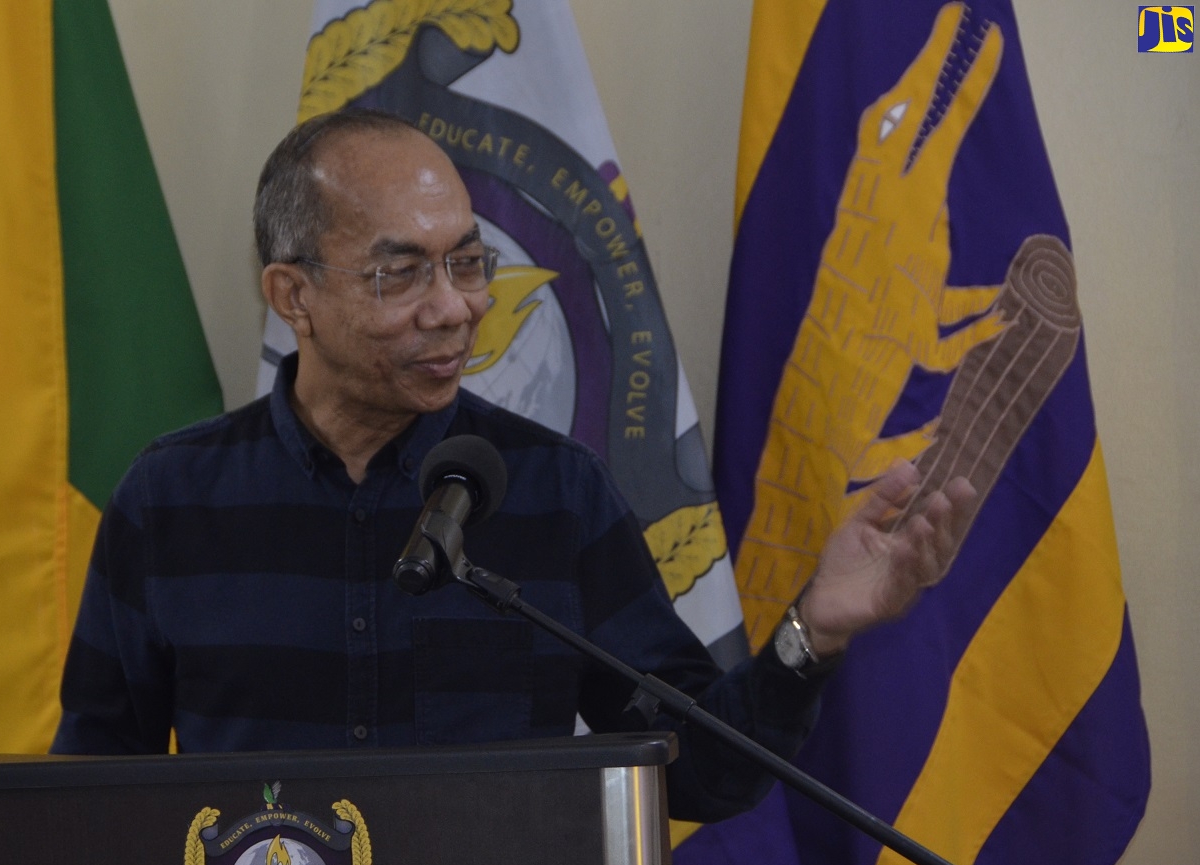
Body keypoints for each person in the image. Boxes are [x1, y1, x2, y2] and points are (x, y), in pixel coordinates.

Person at [50, 109, 970, 823]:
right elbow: (88, 794)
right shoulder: (169, 501)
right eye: (401, 274)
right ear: (294, 294)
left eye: (468, 263)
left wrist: (812, 632)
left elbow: (702, 774)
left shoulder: (554, 492)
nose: (455, 310)